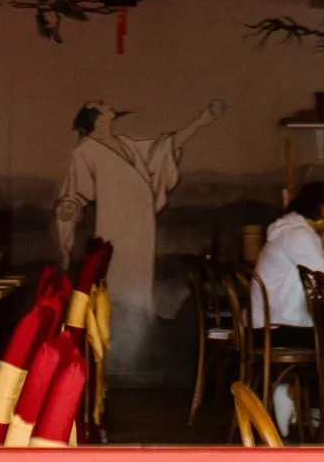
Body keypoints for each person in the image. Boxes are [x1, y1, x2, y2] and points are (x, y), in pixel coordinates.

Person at [52, 99, 222, 324]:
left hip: (141, 224)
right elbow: (74, 195)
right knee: (115, 279)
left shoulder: (126, 144)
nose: (109, 106)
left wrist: (200, 123)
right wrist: (67, 218)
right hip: (115, 227)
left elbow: (165, 147)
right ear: (97, 118)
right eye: (102, 106)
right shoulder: (85, 151)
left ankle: (142, 326)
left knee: (140, 277)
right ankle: (113, 331)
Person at [249, 182, 324, 436]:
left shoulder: (289, 231)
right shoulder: (299, 236)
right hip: (279, 329)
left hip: (271, 324)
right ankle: (316, 408)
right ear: (318, 206)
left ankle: (304, 402)